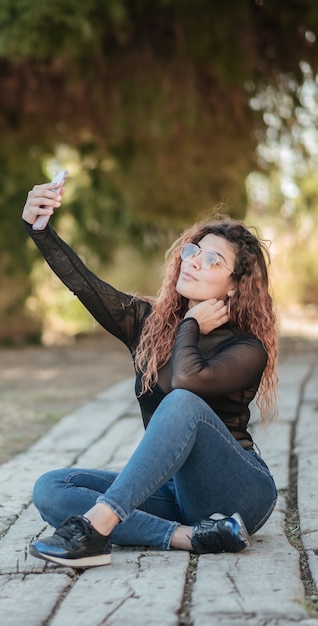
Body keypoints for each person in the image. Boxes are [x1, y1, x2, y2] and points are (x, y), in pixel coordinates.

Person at [21, 178, 278, 568]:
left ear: (233, 287)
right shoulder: (149, 324)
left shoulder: (246, 348)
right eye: (193, 251)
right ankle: (187, 537)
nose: (192, 261)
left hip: (238, 493)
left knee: (181, 403)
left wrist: (190, 324)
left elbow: (186, 383)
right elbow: (86, 285)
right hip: (179, 497)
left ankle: (96, 528)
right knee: (52, 489)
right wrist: (40, 230)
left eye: (213, 261)